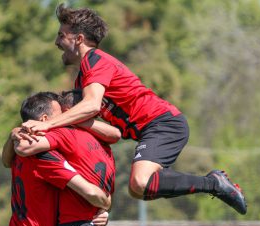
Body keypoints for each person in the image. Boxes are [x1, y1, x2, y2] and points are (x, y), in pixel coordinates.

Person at [21, 3, 247, 215]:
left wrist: (48, 123)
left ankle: (214, 183)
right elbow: (106, 132)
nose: (56, 42)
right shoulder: (83, 79)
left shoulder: (95, 60)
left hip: (164, 123)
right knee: (137, 189)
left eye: (61, 35)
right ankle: (211, 184)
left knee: (140, 182)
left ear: (79, 39)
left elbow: (90, 106)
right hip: (150, 130)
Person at [2, 92, 111, 226]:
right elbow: (90, 192)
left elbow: (6, 161)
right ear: (45, 120)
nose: (66, 120)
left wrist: (13, 133)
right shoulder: (42, 155)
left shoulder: (18, 149)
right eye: (61, 116)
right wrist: (105, 204)